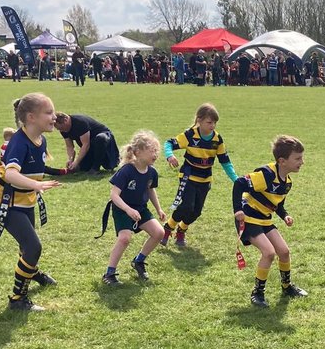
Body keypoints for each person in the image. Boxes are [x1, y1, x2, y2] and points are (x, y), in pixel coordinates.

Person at [0, 94, 63, 311]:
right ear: (31, 117)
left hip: (25, 199)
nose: (54, 116)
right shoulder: (19, 143)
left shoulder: (41, 139)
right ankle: (17, 299)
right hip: (7, 201)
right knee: (33, 246)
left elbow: (35, 167)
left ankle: (32, 271)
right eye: (48, 113)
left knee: (27, 246)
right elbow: (11, 175)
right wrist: (37, 185)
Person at [233, 135, 309, 307]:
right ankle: (257, 294)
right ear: (282, 161)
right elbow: (239, 183)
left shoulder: (287, 182)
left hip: (264, 219)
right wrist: (237, 209)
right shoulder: (266, 174)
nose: (302, 162)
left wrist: (285, 215)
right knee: (268, 252)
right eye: (297, 158)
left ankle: (287, 287)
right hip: (248, 218)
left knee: (284, 251)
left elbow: (277, 203)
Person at [162, 103, 238, 247]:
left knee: (196, 212)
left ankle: (182, 229)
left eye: (215, 122)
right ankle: (168, 227)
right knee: (186, 206)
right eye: (209, 122)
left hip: (205, 179)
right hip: (188, 176)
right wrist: (169, 155)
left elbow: (225, 162)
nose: (213, 126)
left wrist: (236, 179)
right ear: (199, 120)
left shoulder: (217, 140)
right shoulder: (190, 134)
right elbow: (169, 143)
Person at [100, 130, 166, 285]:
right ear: (137, 152)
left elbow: (150, 190)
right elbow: (114, 195)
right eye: (151, 151)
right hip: (123, 209)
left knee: (159, 233)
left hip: (140, 209)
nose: (155, 154)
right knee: (124, 238)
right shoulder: (127, 170)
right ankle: (109, 274)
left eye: (156, 151)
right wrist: (128, 210)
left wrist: (158, 209)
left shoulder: (152, 172)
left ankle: (139, 261)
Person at [54, 112, 119, 174]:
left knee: (100, 138)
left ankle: (96, 168)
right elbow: (70, 146)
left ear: (65, 120)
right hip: (90, 146)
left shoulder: (80, 122)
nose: (61, 131)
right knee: (82, 168)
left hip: (103, 141)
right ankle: (91, 165)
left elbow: (86, 144)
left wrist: (76, 162)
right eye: (59, 129)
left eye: (61, 128)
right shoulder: (63, 130)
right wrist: (71, 160)